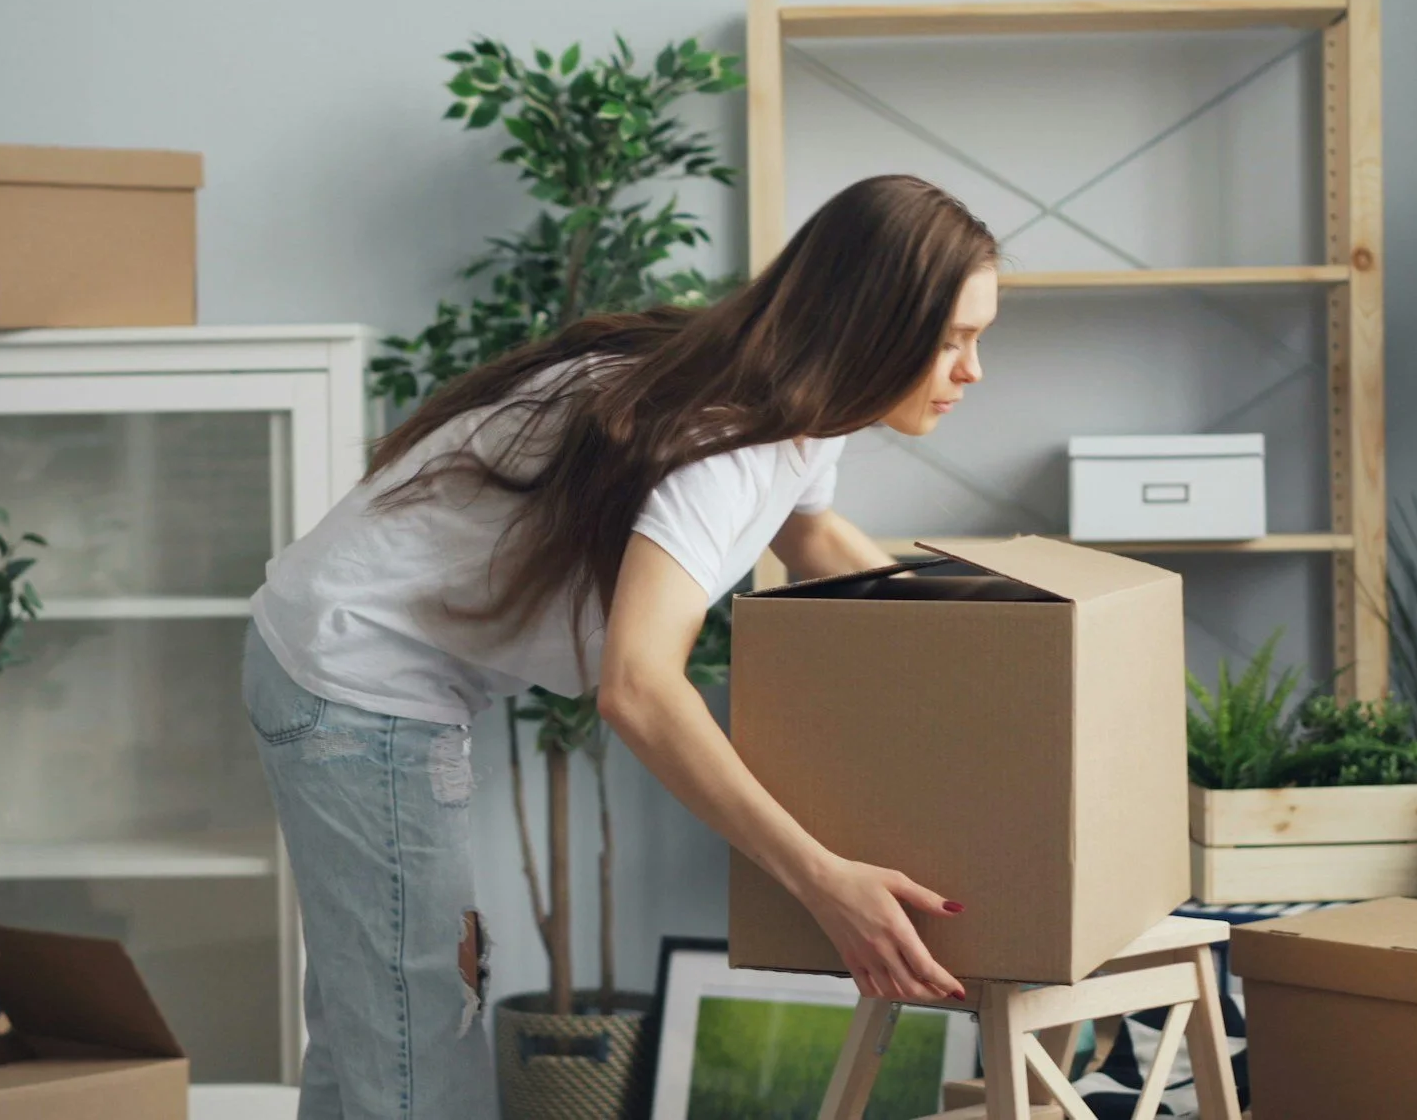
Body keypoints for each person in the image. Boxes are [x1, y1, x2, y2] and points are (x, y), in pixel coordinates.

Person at [244, 173, 1001, 1116]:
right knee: (417, 1051)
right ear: (875, 325)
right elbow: (637, 690)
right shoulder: (724, 439)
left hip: (362, 668)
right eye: (954, 341)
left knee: (374, 1035)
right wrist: (824, 881)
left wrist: (998, 641)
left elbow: (815, 544)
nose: (973, 370)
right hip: (354, 679)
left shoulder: (802, 412)